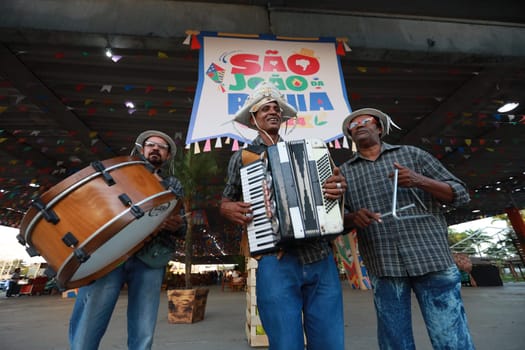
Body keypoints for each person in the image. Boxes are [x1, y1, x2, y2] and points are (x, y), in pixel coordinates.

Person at [220, 82, 347, 350]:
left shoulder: (312, 153)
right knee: (285, 344)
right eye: (264, 108)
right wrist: (226, 208)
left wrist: (337, 190)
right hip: (275, 260)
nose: (272, 111)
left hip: (320, 257)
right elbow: (226, 200)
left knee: (330, 343)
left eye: (276, 108)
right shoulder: (244, 157)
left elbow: (334, 201)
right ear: (253, 119)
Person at [339, 108, 475, 349]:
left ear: (379, 128)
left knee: (451, 337)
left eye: (365, 121)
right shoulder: (345, 173)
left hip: (432, 259)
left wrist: (419, 180)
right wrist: (353, 218)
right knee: (394, 341)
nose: (359, 124)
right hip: (384, 264)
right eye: (353, 123)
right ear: (350, 134)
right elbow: (337, 221)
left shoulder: (412, 155)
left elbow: (461, 194)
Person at [69, 130, 186, 350]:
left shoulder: (173, 185)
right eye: (150, 145)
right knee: (90, 319)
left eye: (161, 147)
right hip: (110, 255)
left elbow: (183, 228)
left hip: (151, 260)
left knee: (143, 330)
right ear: (141, 149)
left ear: (167, 156)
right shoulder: (117, 173)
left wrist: (177, 225)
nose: (155, 149)